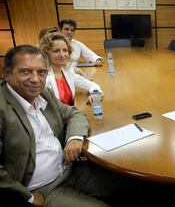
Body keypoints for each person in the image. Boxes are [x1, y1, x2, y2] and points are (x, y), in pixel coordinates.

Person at [0, 45, 139, 206]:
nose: (35, 79)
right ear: (7, 74)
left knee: (136, 185)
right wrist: (26, 197)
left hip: (69, 170)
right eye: (25, 71)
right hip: (42, 188)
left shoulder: (43, 93)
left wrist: (74, 138)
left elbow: (75, 114)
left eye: (41, 72)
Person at [39, 32, 102, 106]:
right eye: (56, 51)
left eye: (65, 50)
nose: (62, 55)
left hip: (71, 114)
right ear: (46, 53)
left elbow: (91, 85)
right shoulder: (43, 79)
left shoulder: (67, 71)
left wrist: (96, 94)